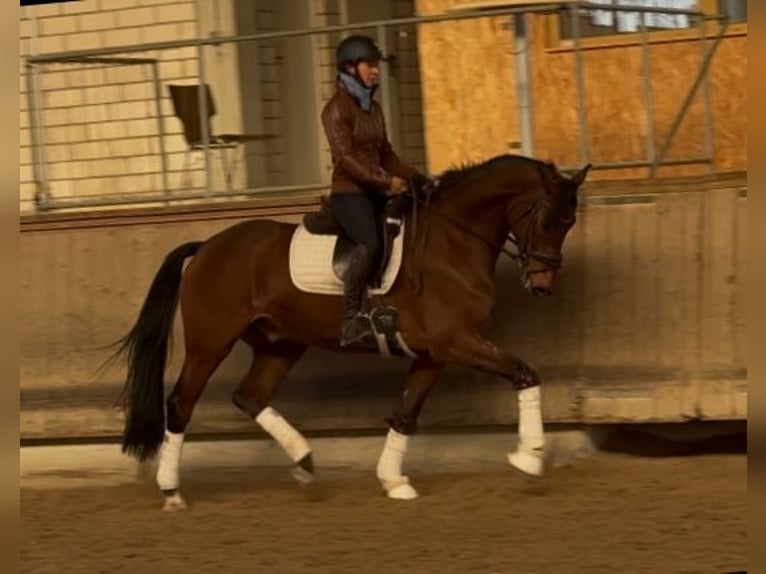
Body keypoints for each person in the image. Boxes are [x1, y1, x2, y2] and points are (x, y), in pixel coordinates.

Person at [320, 34, 431, 348]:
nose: (376, 71)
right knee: (370, 243)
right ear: (351, 68)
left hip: (375, 190)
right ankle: (350, 318)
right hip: (350, 193)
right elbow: (347, 159)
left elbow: (387, 155)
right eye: (370, 65)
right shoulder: (335, 111)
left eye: (376, 66)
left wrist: (416, 177)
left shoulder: (374, 109)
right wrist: (387, 182)